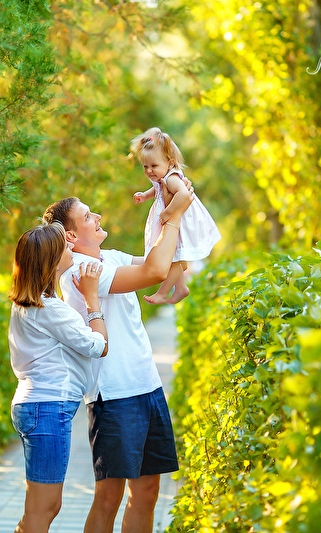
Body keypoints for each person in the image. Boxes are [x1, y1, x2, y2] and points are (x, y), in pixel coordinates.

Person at [43, 190, 192, 533]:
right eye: (87, 216)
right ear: (71, 236)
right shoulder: (81, 271)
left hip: (147, 386)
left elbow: (167, 259)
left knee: (147, 492)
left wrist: (169, 198)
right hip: (113, 395)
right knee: (109, 498)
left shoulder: (110, 257)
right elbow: (155, 270)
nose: (97, 217)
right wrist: (174, 215)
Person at [7, 221, 109, 533]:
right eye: (65, 246)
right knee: (43, 508)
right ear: (52, 260)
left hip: (38, 405)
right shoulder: (48, 308)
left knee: (43, 507)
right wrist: (92, 300)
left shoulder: (31, 304)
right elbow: (99, 346)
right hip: (46, 408)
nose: (71, 248)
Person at [131, 127, 221, 304]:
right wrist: (145, 195)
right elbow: (157, 190)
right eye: (145, 167)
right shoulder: (162, 178)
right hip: (175, 220)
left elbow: (184, 194)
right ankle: (180, 287)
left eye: (154, 166)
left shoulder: (171, 178)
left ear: (170, 163)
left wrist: (169, 211)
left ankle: (164, 292)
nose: (149, 171)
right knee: (174, 256)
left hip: (181, 221)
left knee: (172, 257)